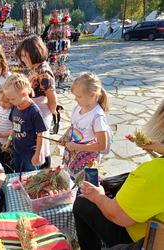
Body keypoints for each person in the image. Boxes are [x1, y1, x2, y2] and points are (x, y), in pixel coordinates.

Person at [73, 100, 164, 250]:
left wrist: (98, 197)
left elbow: (117, 216)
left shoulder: (153, 173)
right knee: (112, 183)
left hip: (140, 239)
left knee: (83, 202)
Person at [16, 35, 58, 168]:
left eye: (24, 55)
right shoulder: (35, 68)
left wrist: (49, 116)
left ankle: (45, 171)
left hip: (42, 113)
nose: (22, 59)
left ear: (34, 52)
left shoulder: (44, 72)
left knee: (42, 146)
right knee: (39, 144)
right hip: (35, 112)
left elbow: (52, 99)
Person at [59, 72, 111, 177]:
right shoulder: (78, 107)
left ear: (92, 95)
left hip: (88, 161)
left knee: (86, 188)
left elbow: (102, 145)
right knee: (70, 182)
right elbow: (73, 126)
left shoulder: (97, 117)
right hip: (73, 156)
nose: (75, 99)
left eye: (78, 96)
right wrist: (65, 136)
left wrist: (78, 147)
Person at [3, 73, 47, 172]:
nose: (10, 101)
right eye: (9, 99)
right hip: (17, 150)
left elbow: (41, 134)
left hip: (30, 153)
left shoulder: (34, 111)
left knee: (31, 178)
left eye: (12, 99)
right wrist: (9, 141)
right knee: (19, 175)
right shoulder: (15, 106)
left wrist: (37, 154)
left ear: (23, 94)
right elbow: (14, 127)